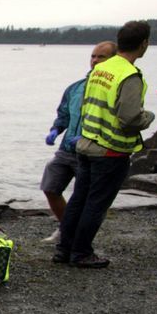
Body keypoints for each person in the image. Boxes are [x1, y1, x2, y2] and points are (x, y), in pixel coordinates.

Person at [56, 20, 155, 268]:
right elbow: (129, 117)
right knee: (96, 204)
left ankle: (63, 249)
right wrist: (149, 117)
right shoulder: (129, 75)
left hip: (87, 143)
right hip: (111, 150)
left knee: (79, 198)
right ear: (144, 44)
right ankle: (81, 252)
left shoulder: (100, 69)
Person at [40, 41, 118, 242]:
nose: (95, 60)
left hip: (92, 151)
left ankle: (78, 239)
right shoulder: (75, 88)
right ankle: (66, 229)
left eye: (102, 57)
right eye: (93, 56)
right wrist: (55, 130)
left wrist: (89, 138)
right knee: (50, 186)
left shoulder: (114, 88)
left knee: (83, 198)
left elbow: (114, 121)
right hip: (67, 149)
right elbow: (64, 114)